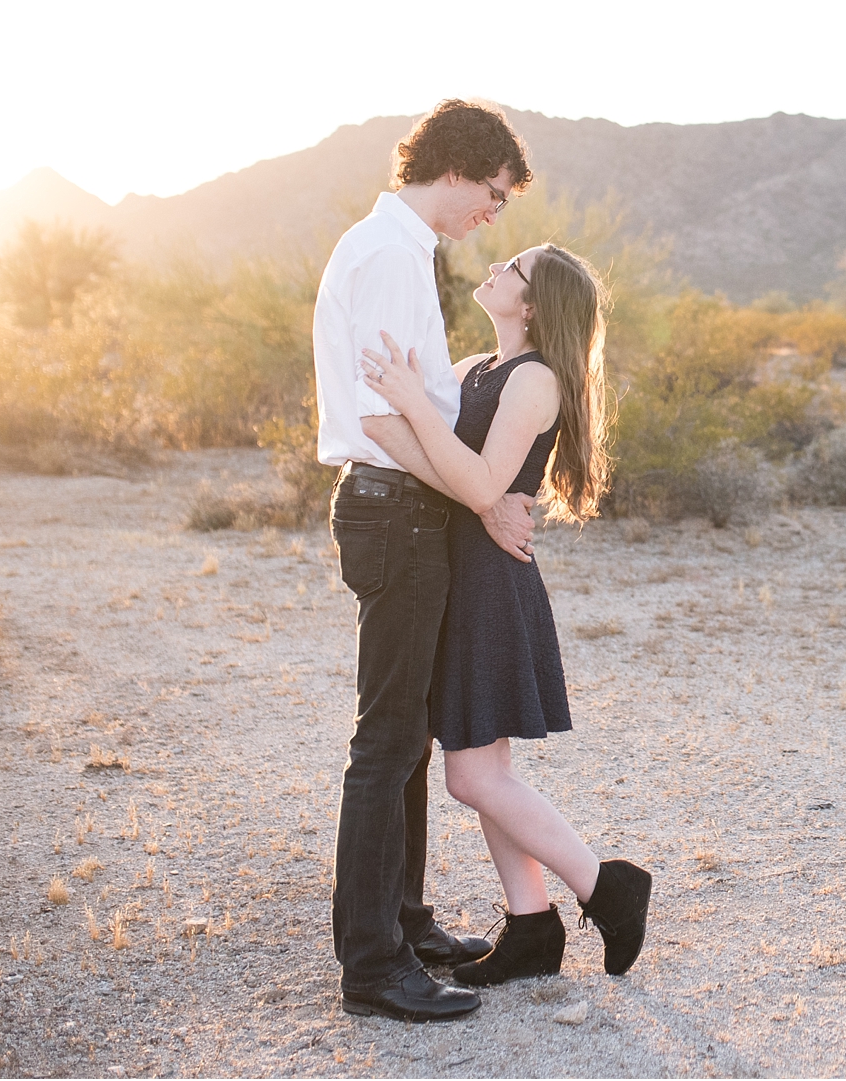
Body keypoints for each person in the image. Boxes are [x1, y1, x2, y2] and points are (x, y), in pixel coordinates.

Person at [360, 240, 652, 987]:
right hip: (463, 570)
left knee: (471, 776)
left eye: (512, 269)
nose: (495, 267)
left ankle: (607, 885)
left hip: (492, 584)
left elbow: (481, 475)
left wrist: (472, 481)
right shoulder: (475, 370)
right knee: (486, 767)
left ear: (530, 304)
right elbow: (451, 470)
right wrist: (481, 497)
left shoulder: (536, 380)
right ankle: (530, 924)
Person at [313, 99, 540, 1022]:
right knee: (388, 742)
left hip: (410, 508)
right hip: (393, 508)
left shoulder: (405, 252)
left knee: (405, 739)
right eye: (493, 194)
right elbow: (377, 417)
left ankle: (403, 921)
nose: (493, 214)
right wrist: (477, 494)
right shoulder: (383, 254)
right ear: (458, 167)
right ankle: (371, 965)